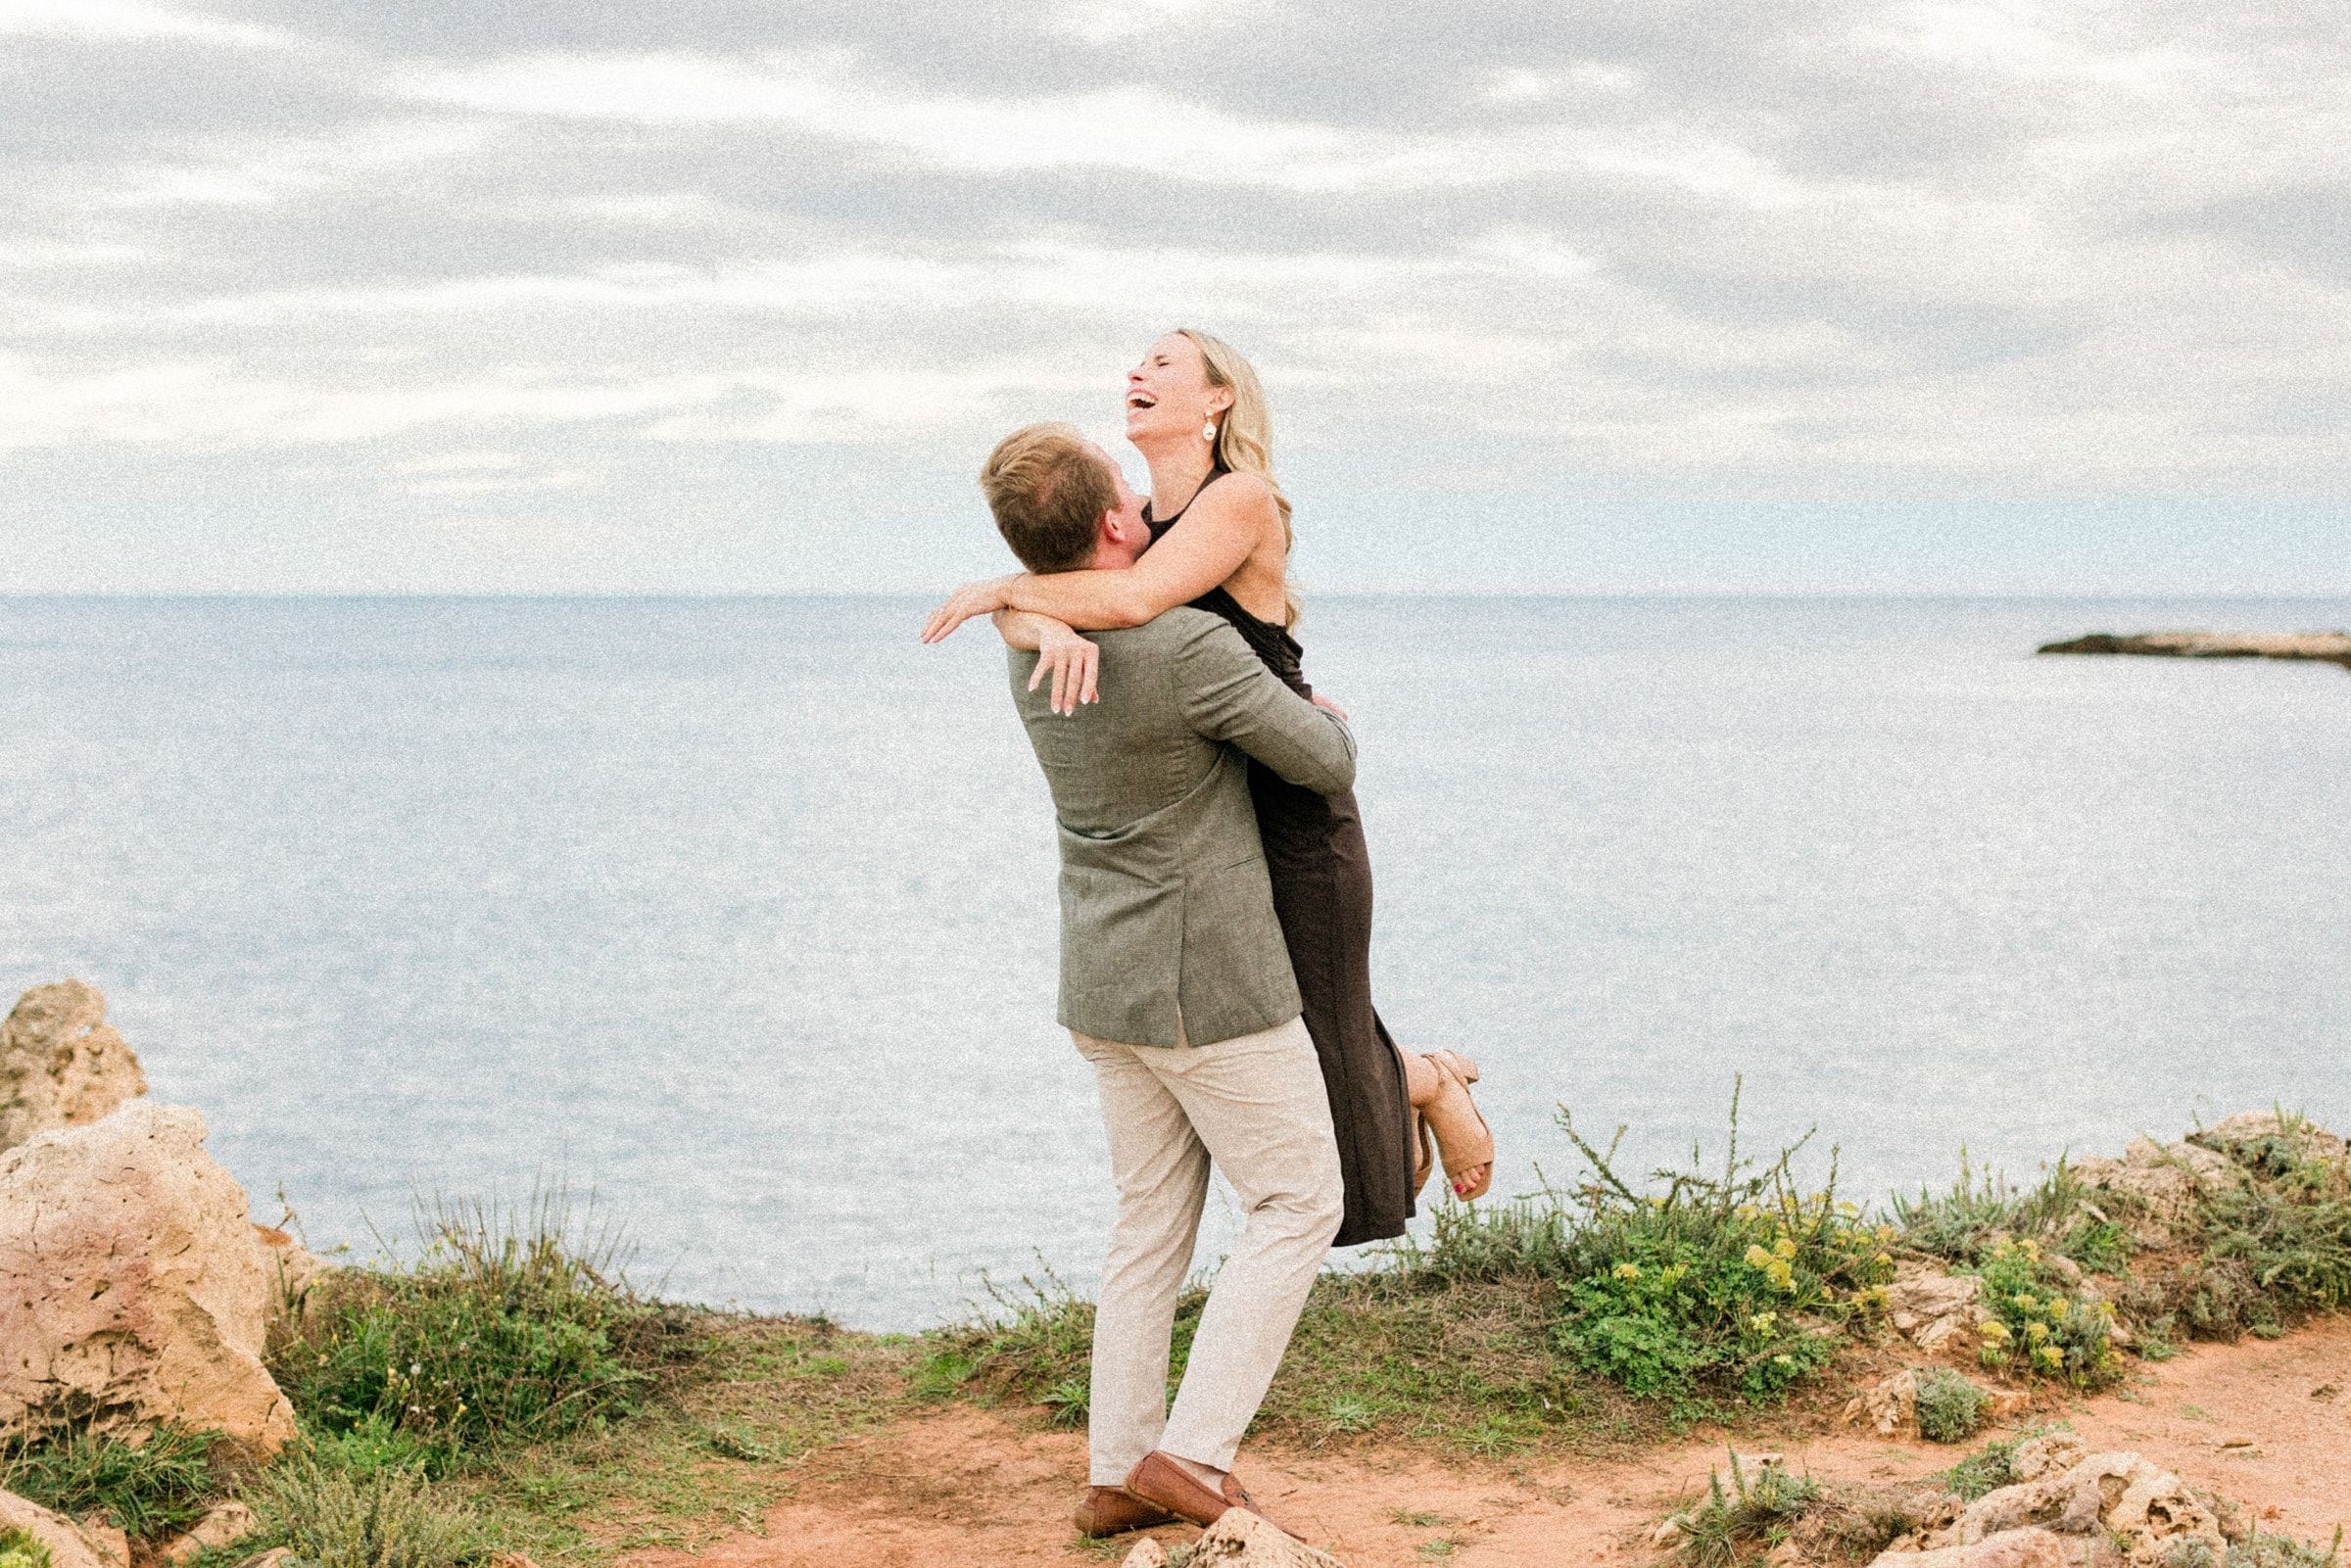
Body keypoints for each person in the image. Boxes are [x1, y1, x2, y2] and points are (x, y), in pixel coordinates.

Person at [923, 329, 1492, 1229]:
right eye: (1136, 363)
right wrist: (1031, 620)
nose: (1135, 373)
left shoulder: (1241, 498)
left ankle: (1429, 1078)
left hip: (1295, 798)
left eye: (1163, 363)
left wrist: (1004, 593)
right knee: (1296, 1068)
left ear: (1219, 400)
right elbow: (1079, 584)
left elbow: (1131, 603)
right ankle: (1414, 1080)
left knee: (1330, 1050)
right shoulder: (1137, 517)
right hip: (1215, 809)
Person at [977, 422, 1356, 1540]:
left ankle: (1111, 1468)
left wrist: (1015, 595)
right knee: (1299, 1201)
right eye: (1132, 495)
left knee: (1150, 1221)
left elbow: (1028, 604)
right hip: (1211, 981)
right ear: (1111, 524)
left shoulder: (1027, 642)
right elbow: (1324, 762)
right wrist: (1319, 711)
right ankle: (1187, 1452)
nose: (1151, 506)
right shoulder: (1187, 646)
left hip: (1104, 977)